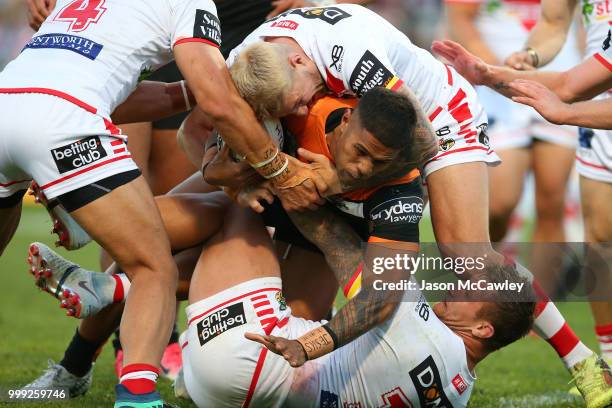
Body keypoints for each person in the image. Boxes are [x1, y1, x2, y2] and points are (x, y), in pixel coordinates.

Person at [220, 4, 610, 405]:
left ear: (298, 60)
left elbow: (419, 140)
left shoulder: (351, 55)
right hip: (367, 133)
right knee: (292, 279)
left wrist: (337, 179)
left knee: (468, 255)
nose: (298, 110)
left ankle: (581, 361)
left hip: (436, 116)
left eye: (296, 100)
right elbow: (205, 137)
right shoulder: (246, 62)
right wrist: (244, 182)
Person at [0, 0, 332, 406]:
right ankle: (138, 398)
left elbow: (125, 98)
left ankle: (90, 221)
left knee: (195, 218)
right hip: (66, 120)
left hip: (8, 97)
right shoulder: (194, 5)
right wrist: (282, 171)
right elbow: (218, 105)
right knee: (154, 264)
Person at [432, 33, 612, 407]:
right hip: (469, 93)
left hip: (442, 113)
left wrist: (565, 113)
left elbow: (568, 89)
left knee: (470, 258)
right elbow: (566, 80)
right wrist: (491, 72)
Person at [445, 0, 579, 244]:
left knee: (552, 203)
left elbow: (571, 21)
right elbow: (459, 18)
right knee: (498, 204)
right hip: (497, 89)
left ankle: (544, 282)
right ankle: (494, 262)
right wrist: (490, 68)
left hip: (558, 81)